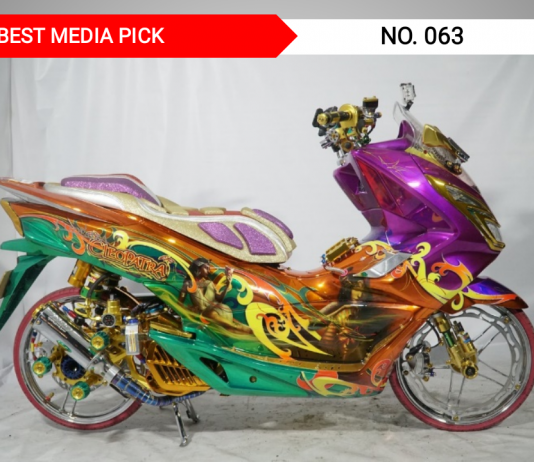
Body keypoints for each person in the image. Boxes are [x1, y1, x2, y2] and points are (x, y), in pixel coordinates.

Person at [179, 258, 252, 335]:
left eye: (209, 268)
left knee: (216, 315)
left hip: (217, 309)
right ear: (198, 268)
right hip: (206, 313)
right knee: (216, 319)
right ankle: (235, 327)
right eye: (206, 268)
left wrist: (228, 284)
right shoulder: (188, 283)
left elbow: (219, 298)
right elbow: (180, 302)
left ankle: (235, 327)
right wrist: (188, 310)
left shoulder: (209, 283)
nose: (208, 271)